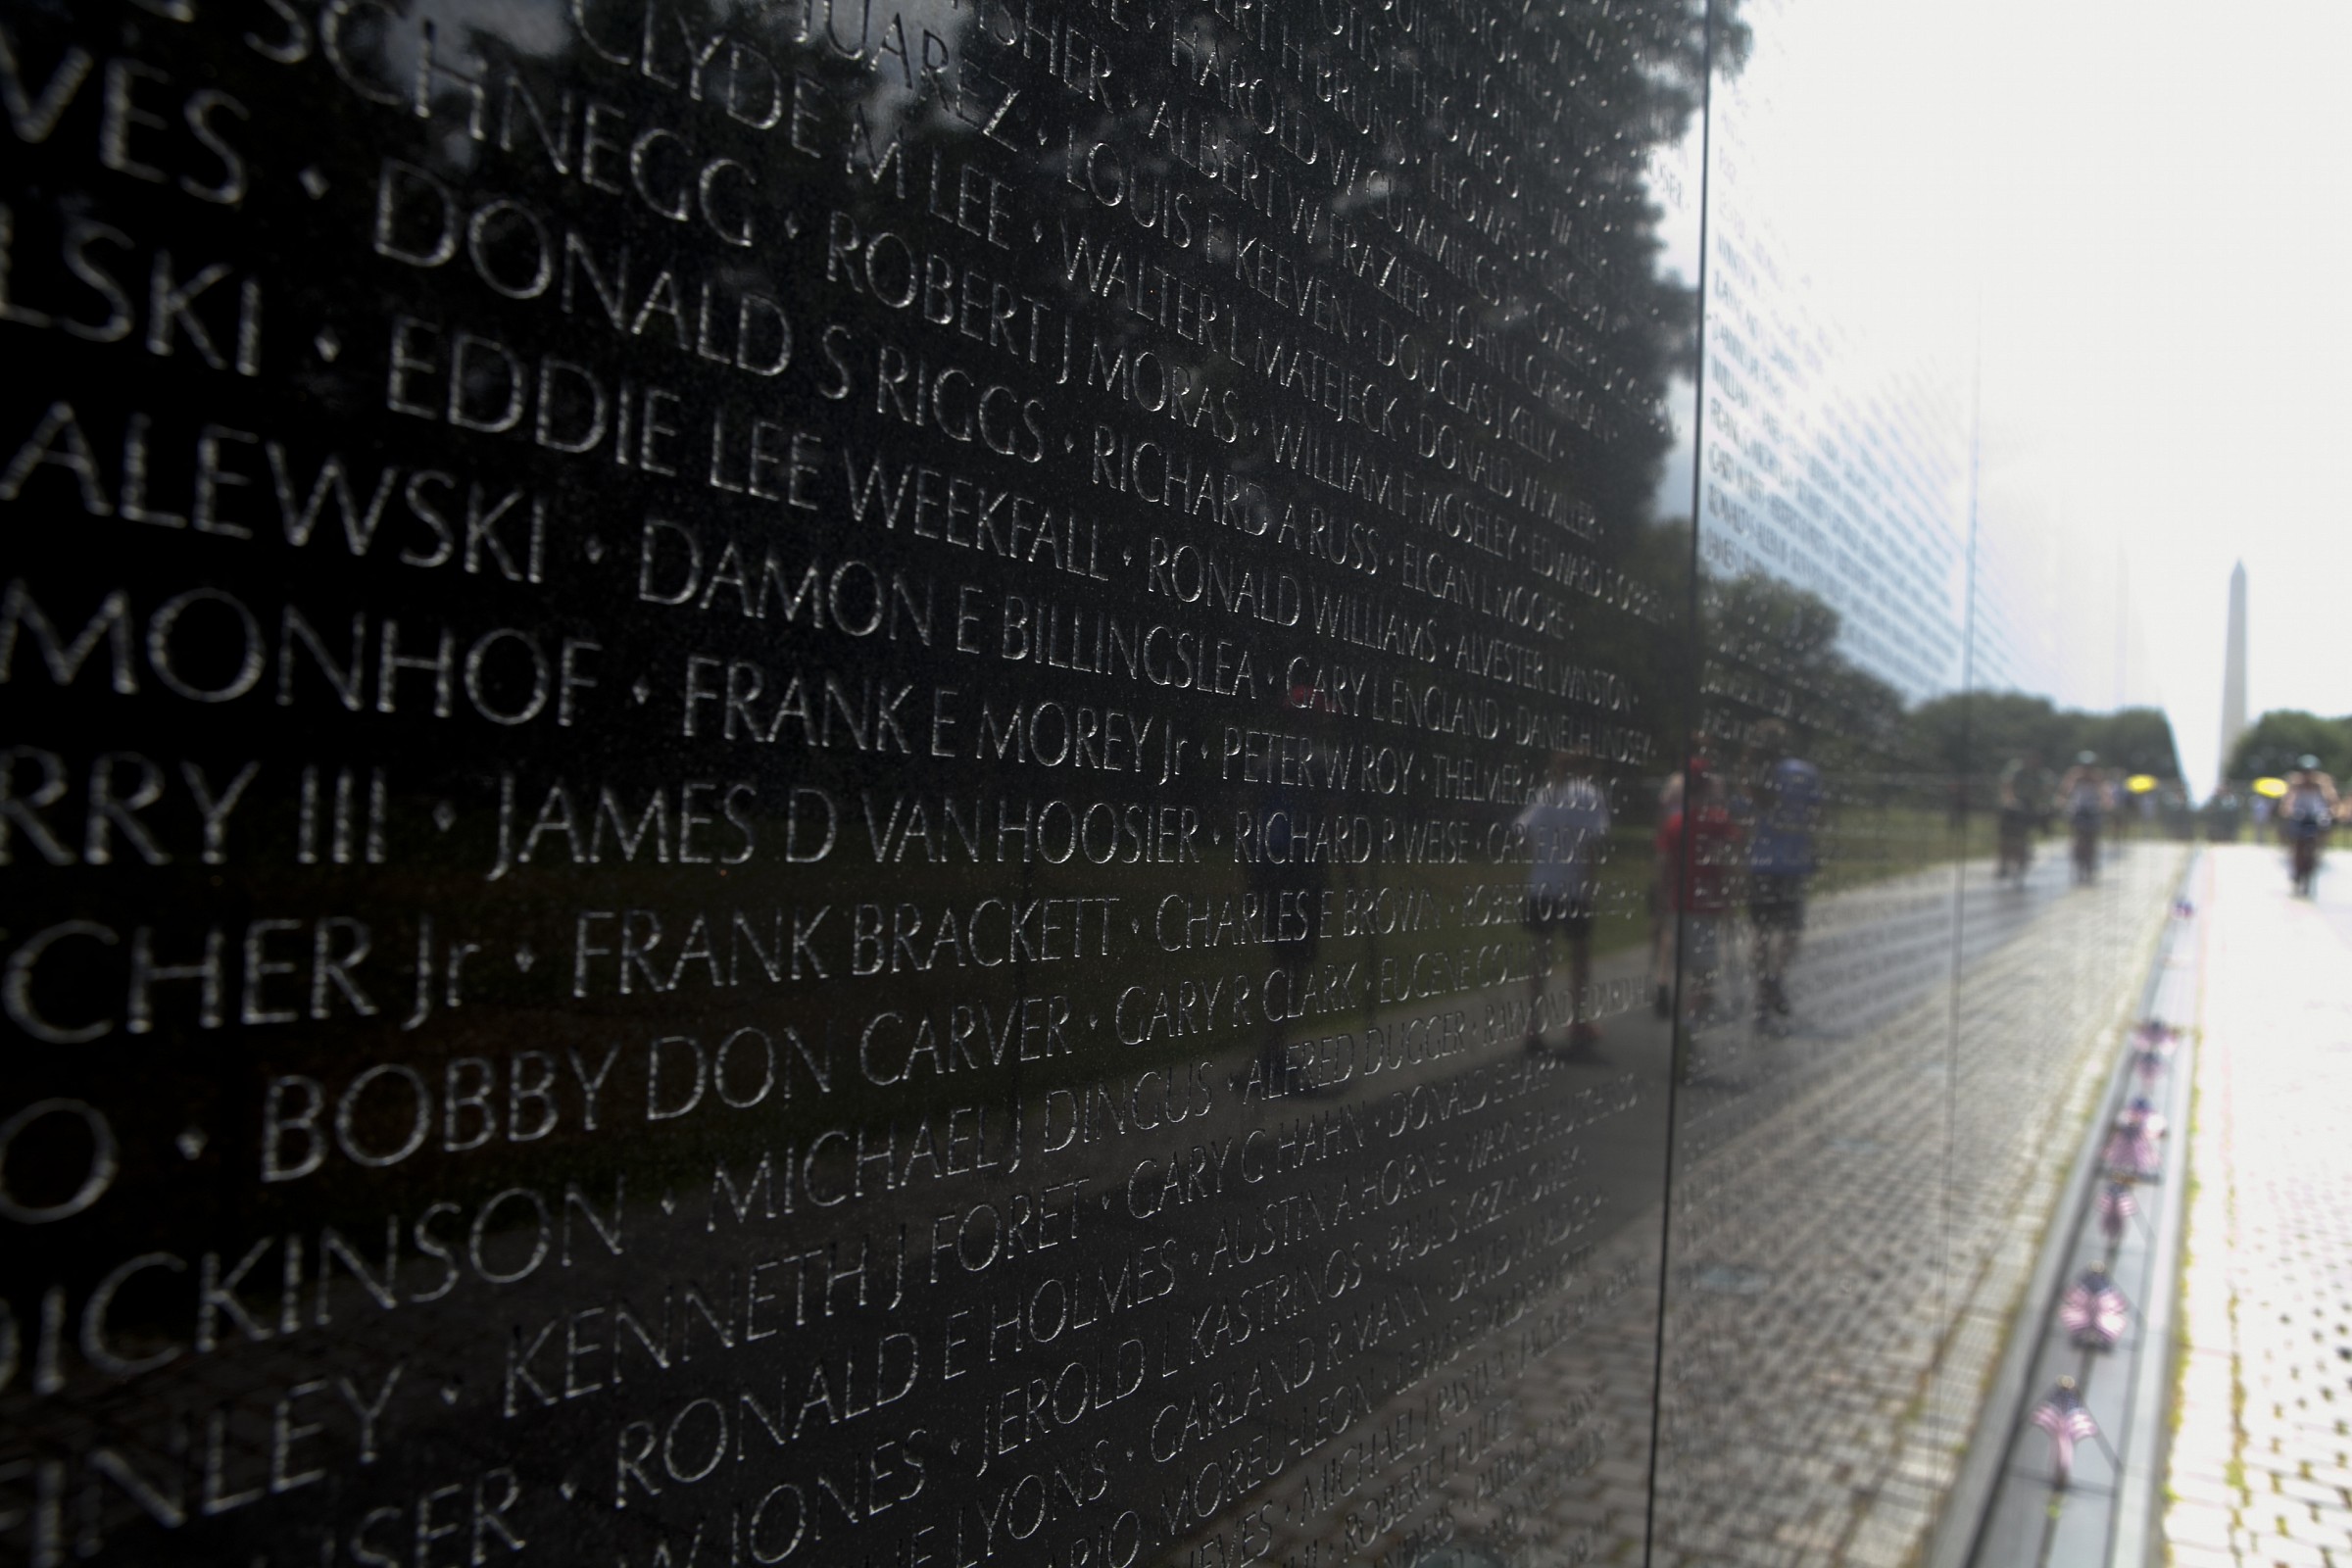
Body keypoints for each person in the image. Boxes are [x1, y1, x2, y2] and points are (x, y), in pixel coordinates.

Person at [1517, 752, 1610, 1051]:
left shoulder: (1546, 793)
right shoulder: (1589, 795)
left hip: (1542, 886)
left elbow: (1525, 834)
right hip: (1573, 887)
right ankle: (1577, 1020)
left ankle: (1533, 1024)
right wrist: (1589, 888)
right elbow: (1591, 845)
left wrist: (1541, 864)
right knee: (1579, 955)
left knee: (1540, 954)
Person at [1744, 721, 1822, 1026]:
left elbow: (1745, 817)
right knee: (1790, 931)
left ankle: (1761, 993)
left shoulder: (1755, 775)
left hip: (1761, 864)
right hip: (1792, 864)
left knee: (1760, 933)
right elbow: (1817, 817)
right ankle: (1774, 980)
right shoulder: (1804, 773)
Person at [1656, 761, 1741, 1026]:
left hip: (1679, 901)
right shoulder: (1718, 821)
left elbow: (1664, 864)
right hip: (1705, 904)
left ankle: (1668, 987)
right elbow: (1729, 860)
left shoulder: (1675, 823)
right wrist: (1731, 896)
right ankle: (1690, 1019)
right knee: (1704, 971)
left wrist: (1662, 895)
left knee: (1680, 952)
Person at [2281, 757, 2336, 896]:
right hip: (2300, 816)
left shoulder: (2323, 783)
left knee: (2322, 831)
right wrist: (2289, 809)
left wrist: (2331, 811)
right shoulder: (2296, 783)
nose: (2308, 775)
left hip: (2317, 817)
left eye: (2310, 771)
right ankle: (2296, 868)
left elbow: (2332, 800)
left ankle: (2318, 854)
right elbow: (2289, 800)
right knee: (2297, 842)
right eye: (2305, 772)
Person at [1997, 751, 2053, 881]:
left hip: (2029, 805)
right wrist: (2010, 800)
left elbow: (2047, 789)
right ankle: (2003, 863)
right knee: (2005, 835)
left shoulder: (2041, 774)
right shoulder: (2016, 769)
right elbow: (2007, 786)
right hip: (2013, 804)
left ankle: (2025, 854)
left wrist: (2045, 803)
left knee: (2027, 831)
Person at [2056, 752, 2109, 885]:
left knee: (2092, 837)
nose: (2087, 770)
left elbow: (2104, 792)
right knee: (2078, 835)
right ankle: (2077, 855)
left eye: (2090, 766)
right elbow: (2065, 791)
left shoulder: (2097, 776)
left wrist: (2106, 802)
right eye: (2085, 766)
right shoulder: (2074, 775)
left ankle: (2091, 861)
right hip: (2077, 809)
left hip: (2092, 809)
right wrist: (2062, 801)